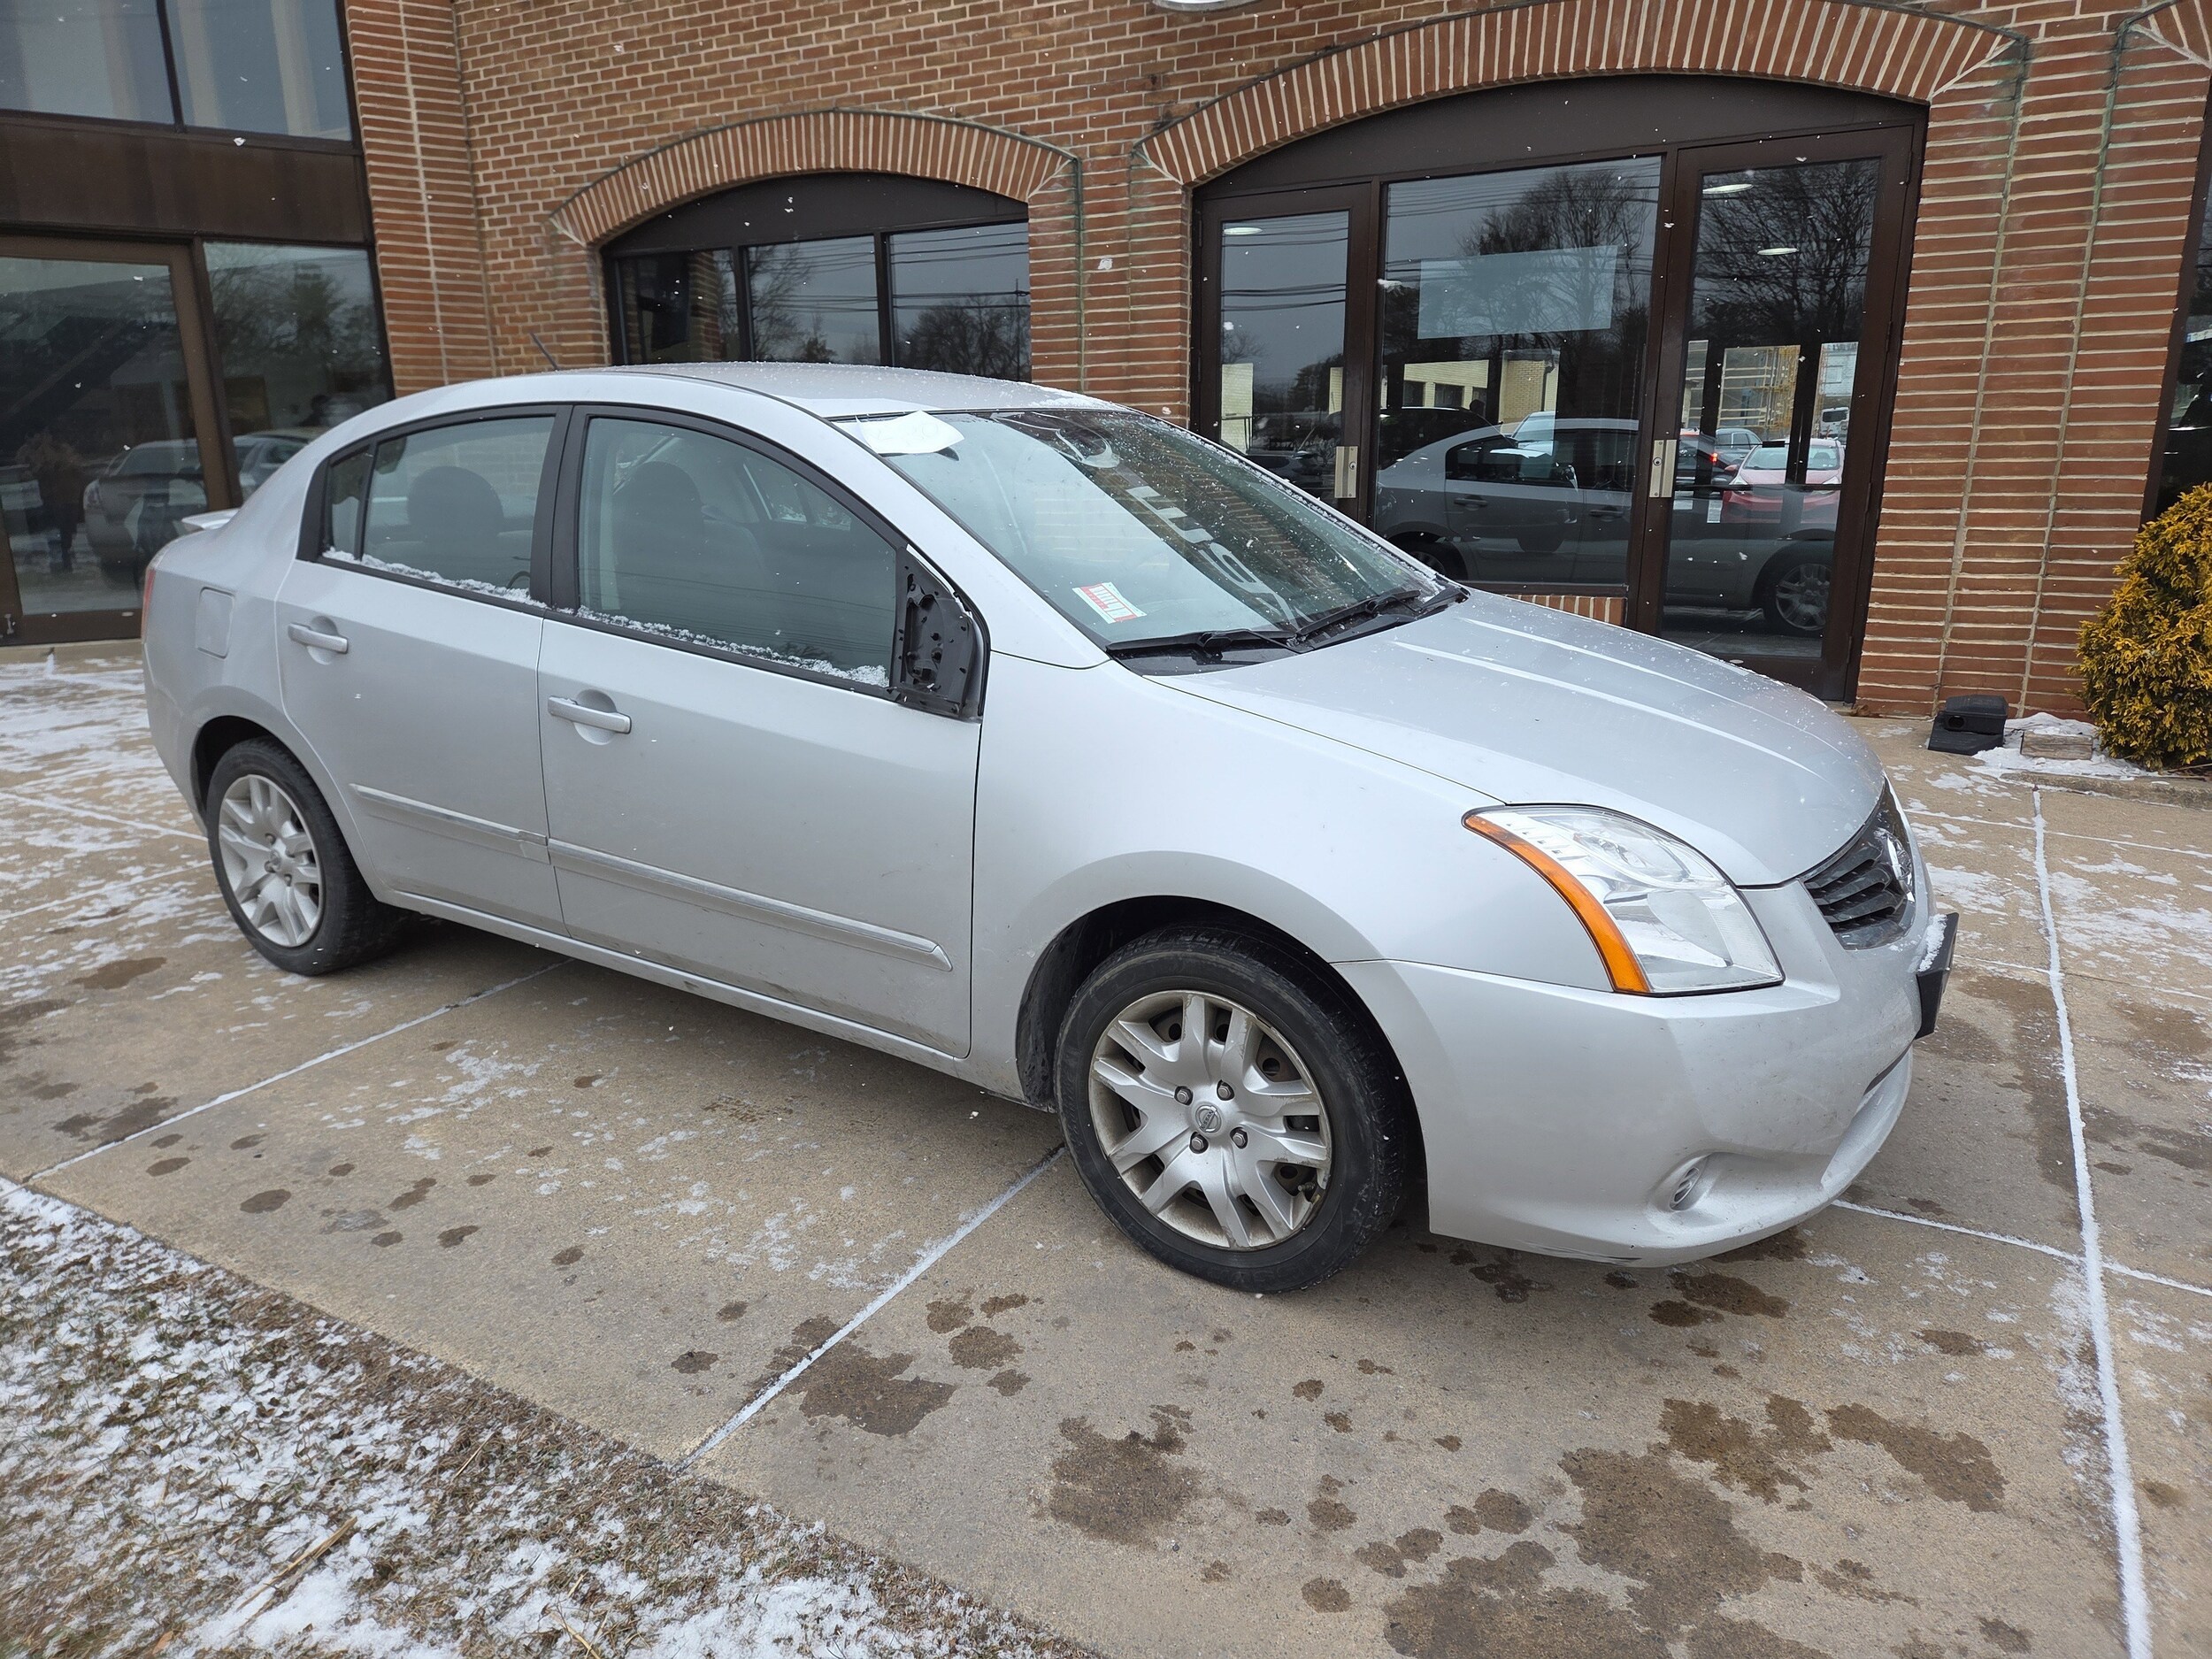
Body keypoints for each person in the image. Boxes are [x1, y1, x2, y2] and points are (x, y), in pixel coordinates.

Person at [13, 432, 88, 573]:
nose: (46, 438)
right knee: (55, 531)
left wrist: (68, 466)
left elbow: (79, 468)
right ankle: (60, 561)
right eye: (43, 435)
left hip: (70, 496)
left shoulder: (65, 450)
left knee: (68, 529)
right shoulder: (34, 452)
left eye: (48, 435)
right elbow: (32, 471)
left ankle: (65, 558)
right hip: (52, 499)